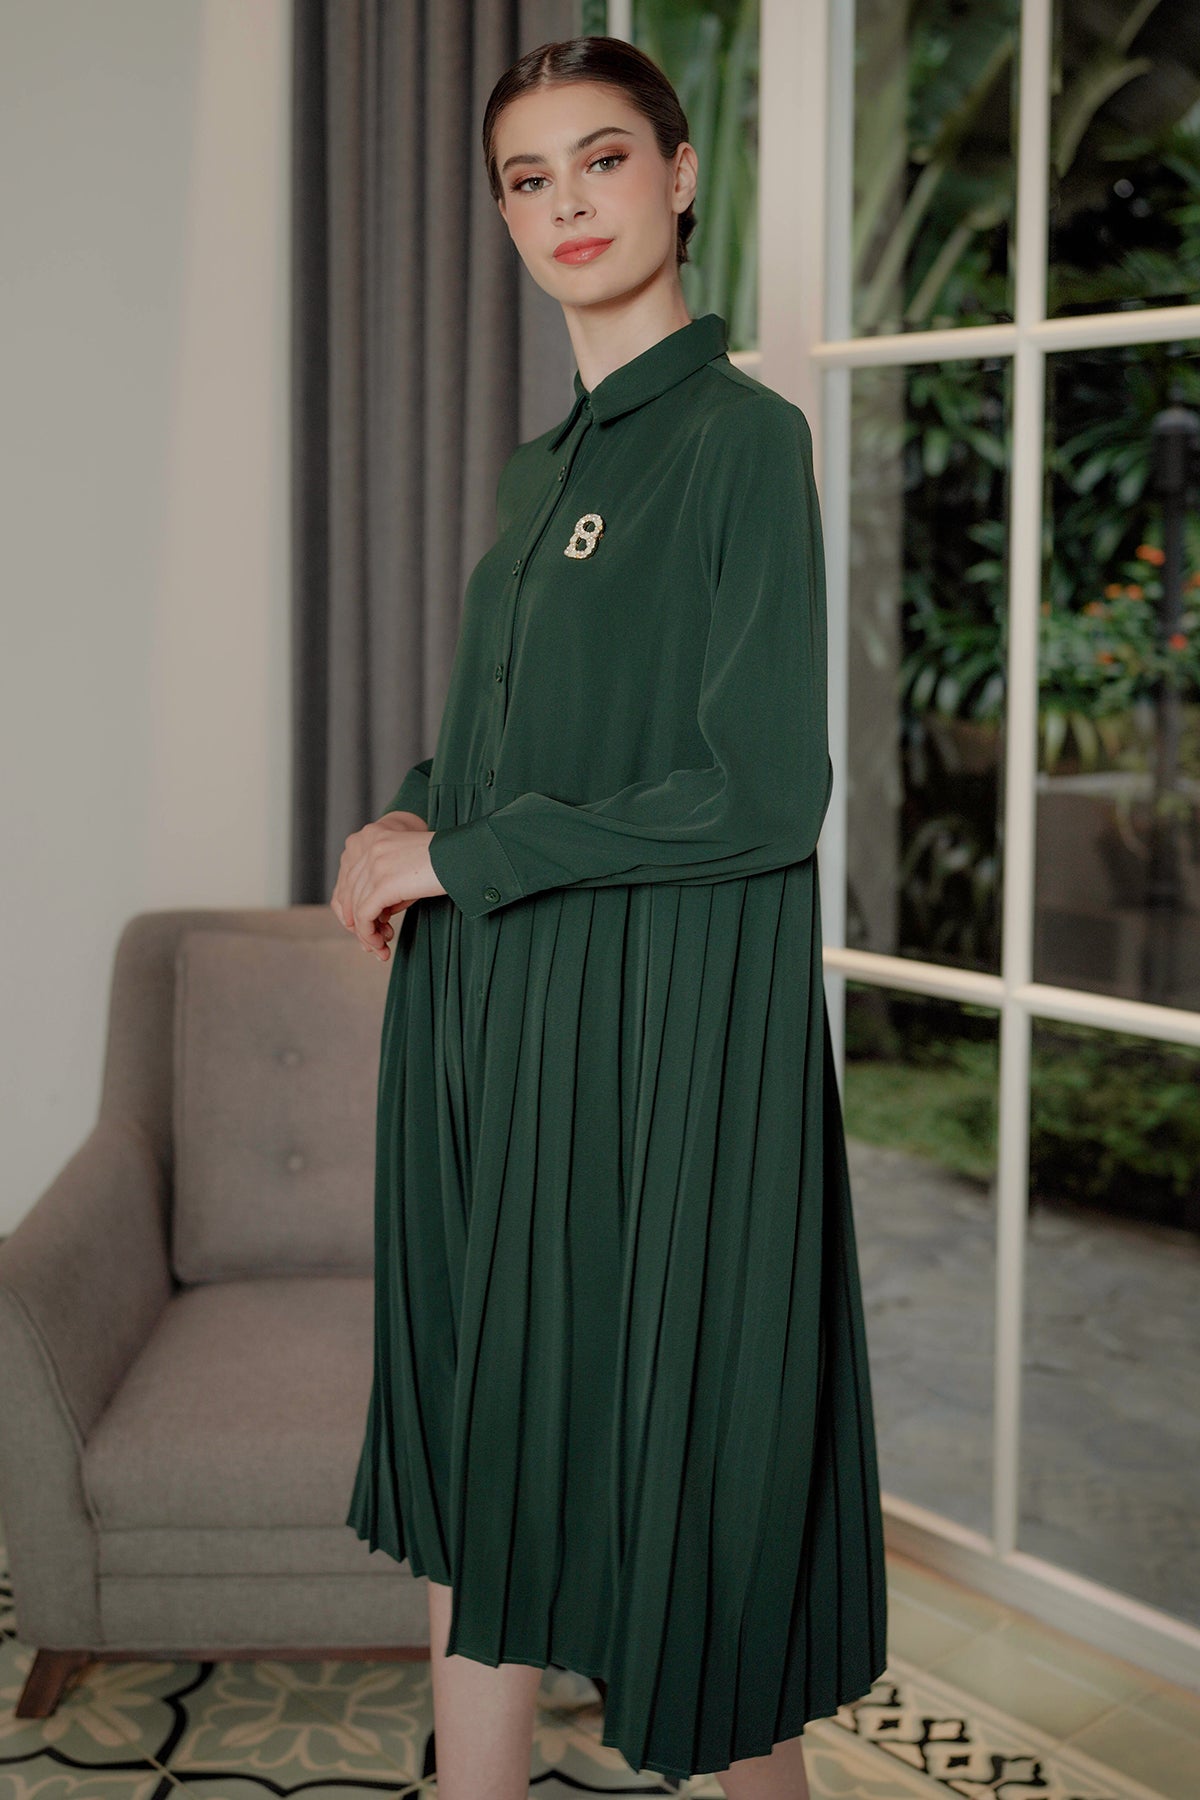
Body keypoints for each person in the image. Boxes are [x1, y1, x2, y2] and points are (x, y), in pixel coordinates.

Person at [330, 34, 888, 1800]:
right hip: (487, 1023)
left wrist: (470, 856)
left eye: (603, 159)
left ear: (681, 174)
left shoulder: (741, 442)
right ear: (505, 216)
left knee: (702, 1478)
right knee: (480, 1451)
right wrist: (413, 810)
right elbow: (510, 750)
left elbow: (762, 791)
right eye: (529, 177)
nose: (567, 202)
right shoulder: (534, 473)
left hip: (657, 1034)